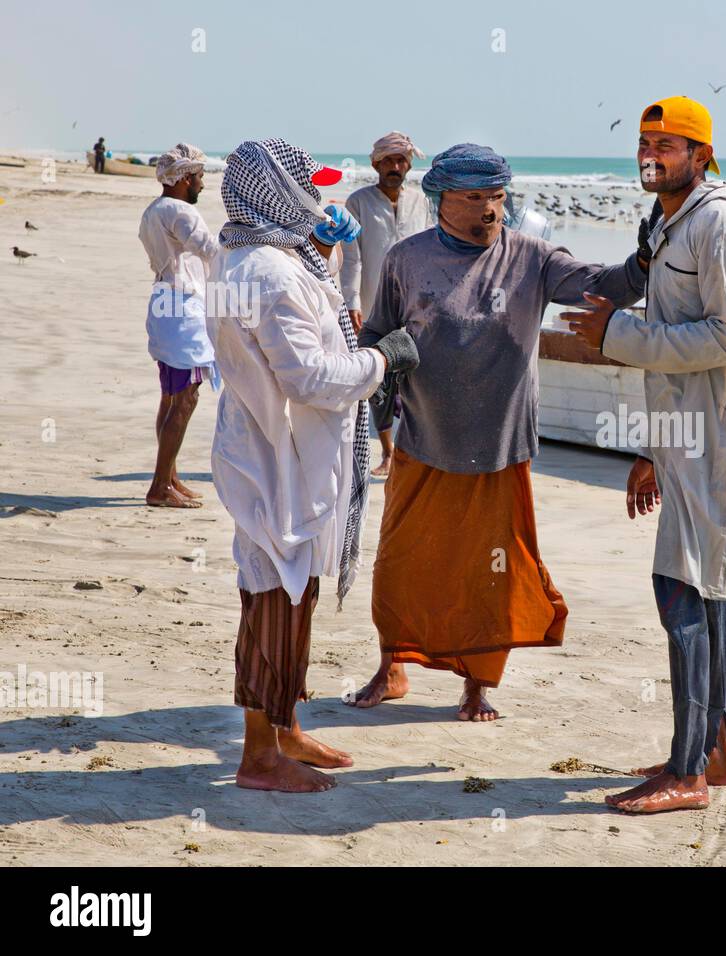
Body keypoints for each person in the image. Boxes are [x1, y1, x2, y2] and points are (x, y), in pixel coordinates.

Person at [349, 143, 647, 721]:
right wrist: (376, 412)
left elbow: (600, 283)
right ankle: (392, 666)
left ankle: (476, 686)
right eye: (475, 198)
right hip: (423, 438)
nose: (490, 208)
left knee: (493, 572)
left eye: (497, 196)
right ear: (442, 201)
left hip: (501, 444)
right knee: (401, 561)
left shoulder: (533, 257)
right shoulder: (407, 260)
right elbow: (380, 336)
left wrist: (643, 259)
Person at [564, 95, 726, 814]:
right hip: (683, 434)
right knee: (702, 586)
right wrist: (654, 448)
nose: (651, 153)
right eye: (645, 141)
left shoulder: (717, 223)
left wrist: (615, 334)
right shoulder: (670, 221)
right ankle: (712, 755)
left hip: (715, 435)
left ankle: (687, 776)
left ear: (701, 154)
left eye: (668, 144)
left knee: (682, 588)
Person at [207, 138, 418, 792]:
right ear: (278, 191)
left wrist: (321, 253)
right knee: (274, 599)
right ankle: (258, 757)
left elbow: (303, 322)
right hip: (282, 458)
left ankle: (285, 727)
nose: (315, 196)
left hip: (275, 453)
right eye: (303, 185)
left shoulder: (246, 257)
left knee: (292, 591)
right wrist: (384, 360)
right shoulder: (267, 271)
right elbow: (309, 377)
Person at [341, 131, 434, 477]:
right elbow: (352, 259)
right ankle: (388, 451)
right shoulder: (358, 203)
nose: (395, 167)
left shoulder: (420, 202)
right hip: (372, 301)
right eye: (388, 161)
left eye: (401, 161)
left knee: (417, 373)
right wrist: (351, 301)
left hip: (416, 304)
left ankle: (415, 449)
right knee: (378, 376)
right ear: (376, 164)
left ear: (408, 165)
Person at [137, 143, 219, 509]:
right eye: (199, 177)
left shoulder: (153, 210)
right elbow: (212, 252)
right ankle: (159, 486)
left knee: (171, 396)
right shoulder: (181, 212)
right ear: (185, 178)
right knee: (187, 396)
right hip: (183, 306)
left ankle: (168, 477)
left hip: (163, 301)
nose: (202, 184)